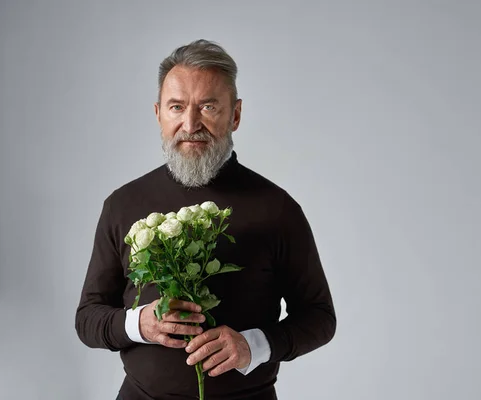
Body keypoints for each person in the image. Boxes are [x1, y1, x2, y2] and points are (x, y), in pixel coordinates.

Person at [75, 39, 336, 400]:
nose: (190, 123)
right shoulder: (122, 204)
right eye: (176, 107)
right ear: (158, 114)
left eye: (208, 106)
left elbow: (320, 317)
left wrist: (253, 346)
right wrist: (139, 324)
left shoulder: (278, 209)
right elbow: (87, 319)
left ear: (236, 115)